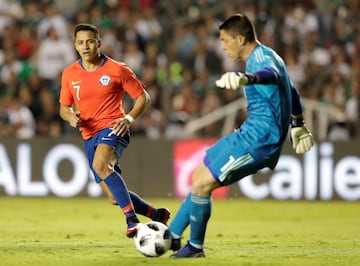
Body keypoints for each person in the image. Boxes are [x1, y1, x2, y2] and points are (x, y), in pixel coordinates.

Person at [168, 13, 314, 258]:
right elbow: (291, 89)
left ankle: (194, 248)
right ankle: (171, 235)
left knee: (202, 184)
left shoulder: (260, 62)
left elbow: (272, 76)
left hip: (259, 141)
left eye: (225, 41)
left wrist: (247, 79)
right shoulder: (269, 54)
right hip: (249, 132)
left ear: (240, 38)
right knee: (198, 176)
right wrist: (297, 123)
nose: (222, 46)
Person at [59, 23, 170, 238]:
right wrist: (71, 117)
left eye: (90, 41)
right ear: (75, 46)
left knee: (100, 164)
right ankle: (157, 215)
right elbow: (63, 108)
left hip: (114, 126)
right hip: (89, 134)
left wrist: (128, 119)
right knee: (113, 197)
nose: (86, 46)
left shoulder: (117, 69)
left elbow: (143, 97)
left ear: (99, 43)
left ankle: (132, 221)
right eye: (81, 42)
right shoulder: (69, 74)